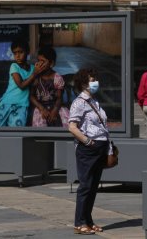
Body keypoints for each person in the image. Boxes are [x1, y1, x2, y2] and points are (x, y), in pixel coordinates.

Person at [68, 68, 110, 235]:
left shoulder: (94, 102)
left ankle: (89, 221)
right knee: (85, 186)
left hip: (100, 148)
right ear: (83, 83)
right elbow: (72, 127)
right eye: (92, 80)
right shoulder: (79, 103)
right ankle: (79, 223)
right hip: (88, 149)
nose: (95, 83)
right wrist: (88, 142)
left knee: (93, 186)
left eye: (95, 79)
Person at [0, 39, 46, 127]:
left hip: (22, 105)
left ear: (28, 52)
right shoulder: (14, 66)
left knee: (17, 127)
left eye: (21, 52)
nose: (18, 56)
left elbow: (35, 83)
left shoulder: (33, 68)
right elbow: (21, 85)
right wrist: (34, 74)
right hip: (8, 102)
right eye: (15, 53)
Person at [30, 46, 69, 127]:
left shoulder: (57, 78)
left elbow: (59, 98)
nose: (39, 64)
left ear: (51, 64)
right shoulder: (36, 77)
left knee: (67, 122)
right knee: (39, 124)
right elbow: (31, 96)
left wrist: (55, 111)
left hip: (55, 106)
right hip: (40, 107)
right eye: (38, 60)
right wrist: (42, 109)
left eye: (43, 61)